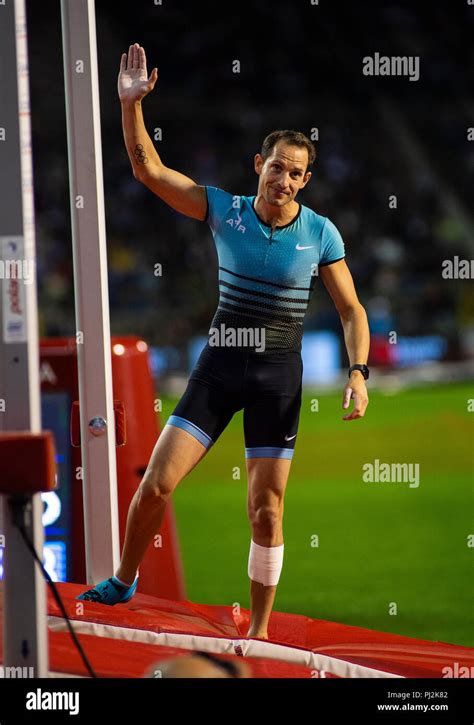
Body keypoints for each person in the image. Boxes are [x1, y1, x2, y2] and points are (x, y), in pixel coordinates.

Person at [77, 43, 370, 641]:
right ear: (256, 164)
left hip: (276, 382)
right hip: (217, 372)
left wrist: (358, 371)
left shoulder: (321, 233)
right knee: (157, 483)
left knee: (266, 509)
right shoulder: (224, 211)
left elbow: (351, 308)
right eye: (276, 165)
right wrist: (131, 105)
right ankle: (124, 579)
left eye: (295, 171)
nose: (283, 177)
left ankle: (259, 631)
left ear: (305, 179)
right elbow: (148, 171)